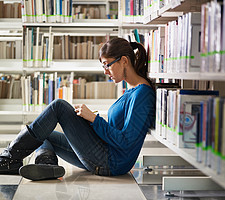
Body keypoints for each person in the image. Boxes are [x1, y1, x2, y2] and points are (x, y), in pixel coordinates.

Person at [0, 37, 156, 181]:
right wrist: (89, 122)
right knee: (44, 132)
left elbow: (125, 141)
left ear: (123, 61)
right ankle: (47, 166)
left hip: (111, 162)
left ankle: (8, 159)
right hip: (105, 153)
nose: (105, 71)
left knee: (58, 106)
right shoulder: (132, 90)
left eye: (107, 64)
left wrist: (94, 120)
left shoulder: (142, 94)